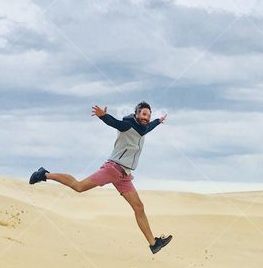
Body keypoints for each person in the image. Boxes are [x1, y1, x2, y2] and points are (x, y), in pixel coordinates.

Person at [29, 101, 173, 254]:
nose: (146, 118)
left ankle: (153, 243)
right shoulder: (127, 126)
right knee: (79, 187)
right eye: (144, 114)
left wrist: (158, 121)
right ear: (136, 114)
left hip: (124, 176)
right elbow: (114, 122)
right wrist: (103, 116)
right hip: (113, 169)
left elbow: (148, 128)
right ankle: (44, 174)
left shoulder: (143, 130)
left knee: (139, 207)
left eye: (149, 116)